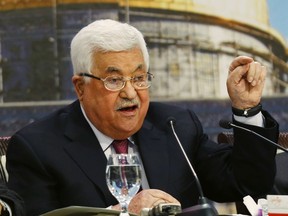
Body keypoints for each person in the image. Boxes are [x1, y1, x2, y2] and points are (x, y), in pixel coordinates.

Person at [6, 19, 279, 216]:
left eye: (139, 78)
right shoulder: (38, 148)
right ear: (81, 87)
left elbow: (246, 185)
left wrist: (247, 108)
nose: (130, 93)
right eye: (114, 80)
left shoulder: (175, 125)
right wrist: (121, 214)